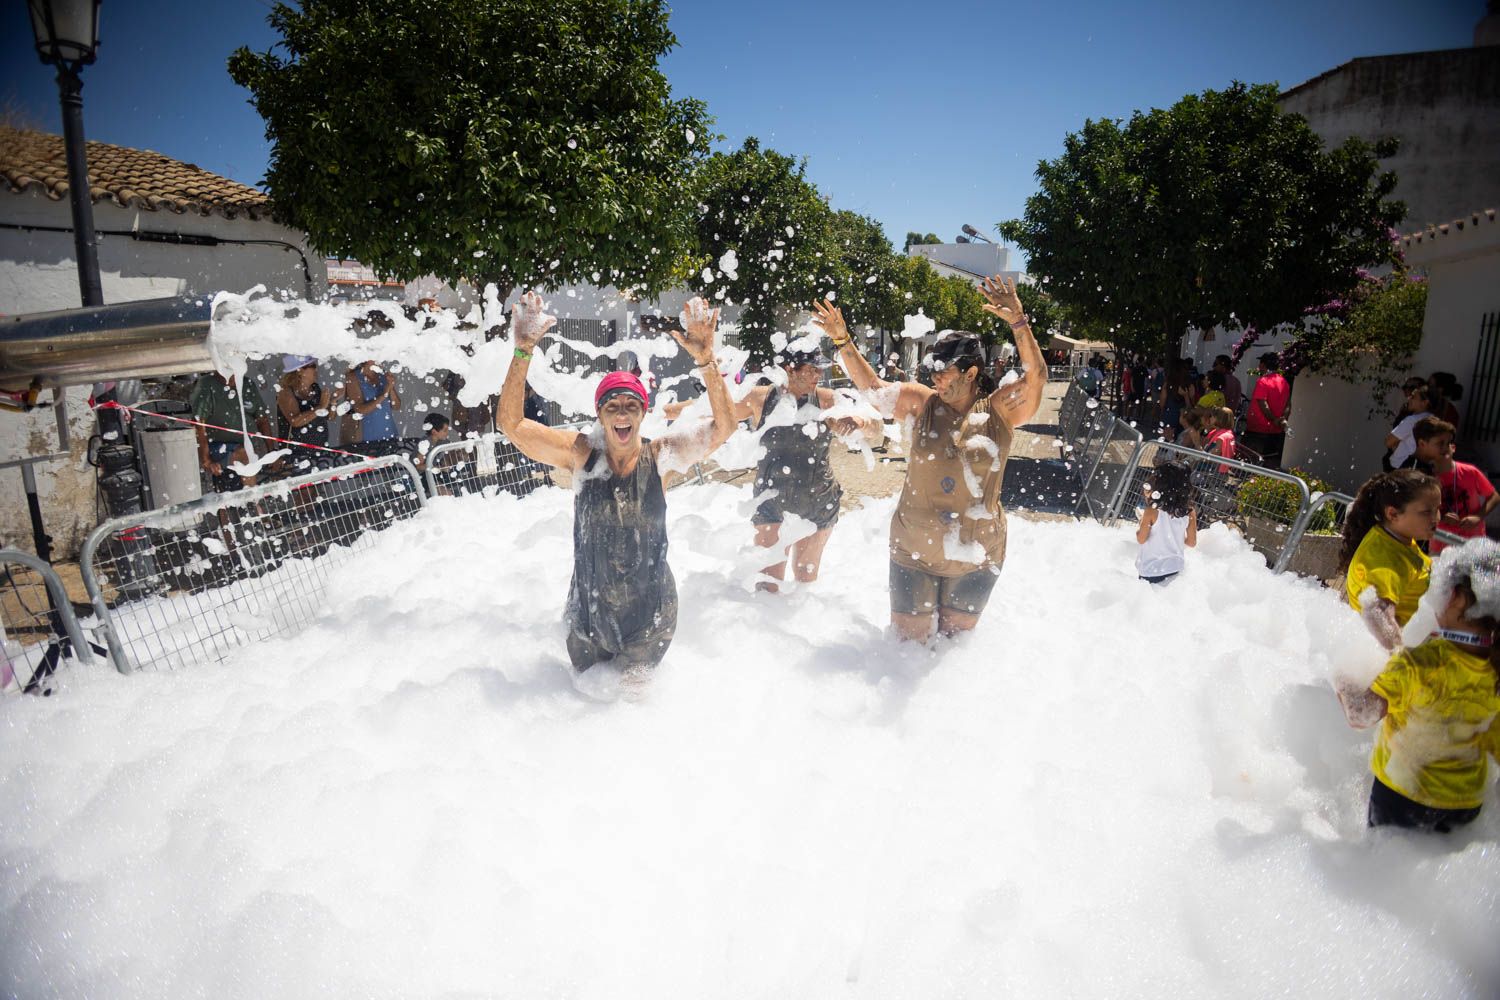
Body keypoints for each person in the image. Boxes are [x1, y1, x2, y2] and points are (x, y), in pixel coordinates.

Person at [497, 293, 737, 687]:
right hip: (588, 615)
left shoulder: (661, 456)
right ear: (600, 414)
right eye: (612, 406)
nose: (622, 413)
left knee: (632, 709)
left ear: (644, 412)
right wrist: (523, 350)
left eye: (631, 405)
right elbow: (512, 425)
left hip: (650, 617)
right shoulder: (580, 454)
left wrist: (707, 361)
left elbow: (724, 427)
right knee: (583, 704)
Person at [812, 274, 1046, 642]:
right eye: (932, 369)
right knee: (907, 656)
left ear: (971, 373)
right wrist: (843, 340)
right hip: (914, 551)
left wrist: (1018, 322)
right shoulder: (921, 404)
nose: (935, 377)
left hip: (976, 554)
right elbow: (873, 389)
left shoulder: (999, 411)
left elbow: (1036, 378)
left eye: (944, 371)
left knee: (953, 658)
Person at [665, 346, 882, 592]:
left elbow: (877, 426)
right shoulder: (761, 398)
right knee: (768, 587)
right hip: (771, 502)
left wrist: (860, 422)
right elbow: (708, 409)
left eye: (819, 369)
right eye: (811, 369)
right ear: (790, 369)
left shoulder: (827, 400)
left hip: (818, 501)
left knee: (805, 583)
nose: (818, 375)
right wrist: (658, 413)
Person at [1337, 541, 1500, 833]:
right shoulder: (1495, 670)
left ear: (1456, 598)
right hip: (1465, 804)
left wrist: (1343, 677)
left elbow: (1361, 714)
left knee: (1385, 860)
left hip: (1405, 795)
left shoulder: (1422, 661)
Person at [1340, 469, 1441, 651]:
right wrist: (1401, 658)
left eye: (1437, 509)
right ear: (1393, 514)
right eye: (1426, 512)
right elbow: (1376, 615)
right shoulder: (1384, 560)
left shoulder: (1399, 540)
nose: (1436, 518)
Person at [190, 370, 273, 492]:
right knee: (244, 454)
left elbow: (262, 420)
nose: (232, 378)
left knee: (249, 454)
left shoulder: (248, 384)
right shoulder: (207, 384)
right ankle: (251, 498)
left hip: (247, 446)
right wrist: (206, 460)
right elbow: (198, 423)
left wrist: (272, 452)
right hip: (217, 446)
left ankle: (251, 498)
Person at [1426, 420, 1498, 554]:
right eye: (1440, 443)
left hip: (1473, 542)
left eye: (1448, 443)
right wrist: (1440, 516)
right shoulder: (1427, 476)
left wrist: (1478, 517)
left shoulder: (1470, 472)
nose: (1444, 447)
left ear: (1453, 448)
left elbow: (1494, 496)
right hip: (1441, 544)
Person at [1134, 461, 1197, 584]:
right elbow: (1191, 542)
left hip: (1151, 570)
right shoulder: (1190, 511)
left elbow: (1141, 539)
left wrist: (1141, 522)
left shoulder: (1152, 511)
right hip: (1175, 569)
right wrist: (1173, 538)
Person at [276, 356, 342, 473]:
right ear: (299, 371)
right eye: (312, 366)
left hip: (319, 452)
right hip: (296, 455)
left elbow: (329, 417)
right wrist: (320, 407)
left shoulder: (315, 388)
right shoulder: (286, 392)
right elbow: (295, 421)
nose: (316, 369)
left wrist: (333, 402)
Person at [1243, 352, 1291, 468]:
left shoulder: (1263, 381)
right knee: (1268, 463)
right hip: (1275, 432)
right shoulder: (1284, 382)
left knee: (1249, 464)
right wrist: (1282, 420)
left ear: (1263, 365)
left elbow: (1263, 404)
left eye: (1260, 363)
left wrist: (1274, 419)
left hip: (1258, 430)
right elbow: (1288, 404)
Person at [345, 360, 401, 449]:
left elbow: (396, 406)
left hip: (390, 435)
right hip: (368, 439)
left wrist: (391, 386)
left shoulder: (383, 375)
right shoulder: (353, 377)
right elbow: (360, 409)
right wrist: (384, 394)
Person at [1384, 384, 1433, 471]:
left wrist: (1398, 447)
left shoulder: (1412, 420)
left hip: (1400, 467)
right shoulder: (1433, 419)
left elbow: (1388, 442)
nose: (1409, 398)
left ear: (1424, 402)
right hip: (1418, 467)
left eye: (1413, 397)